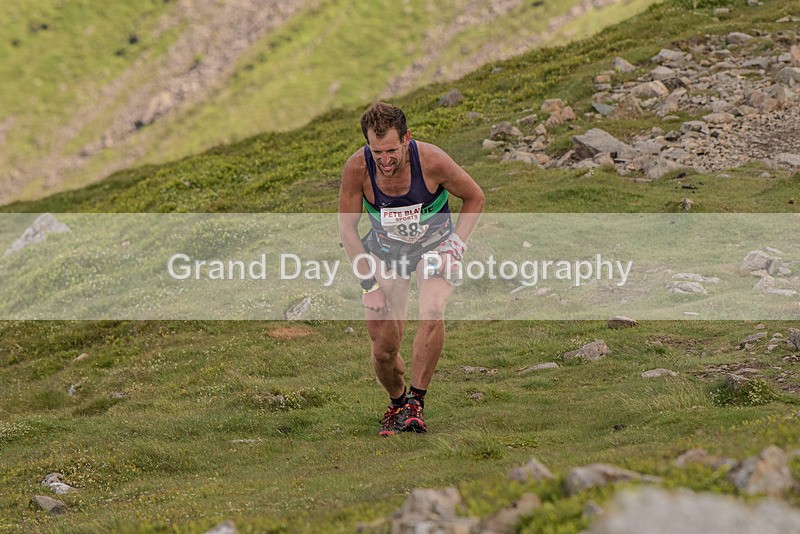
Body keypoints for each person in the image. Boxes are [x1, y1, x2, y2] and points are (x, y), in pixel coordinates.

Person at [338, 102, 484, 436]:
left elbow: (475, 197)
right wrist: (368, 285)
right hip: (386, 255)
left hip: (434, 248)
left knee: (432, 309)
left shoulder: (432, 160)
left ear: (407, 139)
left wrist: (456, 244)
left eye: (391, 150)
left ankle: (416, 403)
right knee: (384, 350)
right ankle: (398, 401)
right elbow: (347, 230)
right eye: (377, 152)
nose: (385, 160)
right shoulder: (358, 169)